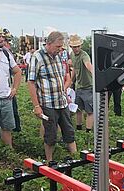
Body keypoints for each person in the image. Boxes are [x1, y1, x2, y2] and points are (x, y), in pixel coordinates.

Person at [27, 31, 77, 161]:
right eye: (57, 46)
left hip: (62, 102)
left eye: (61, 47)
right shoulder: (37, 57)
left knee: (69, 132)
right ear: (49, 44)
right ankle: (50, 163)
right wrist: (36, 106)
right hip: (48, 103)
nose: (60, 49)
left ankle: (76, 159)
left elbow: (62, 78)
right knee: (51, 136)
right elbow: (31, 82)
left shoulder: (59, 56)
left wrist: (65, 93)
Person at [69, 34, 93, 132]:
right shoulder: (72, 55)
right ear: (71, 47)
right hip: (79, 86)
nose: (76, 48)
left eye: (78, 46)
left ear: (81, 46)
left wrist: (93, 73)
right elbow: (74, 68)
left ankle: (88, 131)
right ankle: (79, 128)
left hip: (88, 87)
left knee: (90, 111)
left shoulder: (84, 55)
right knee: (78, 109)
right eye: (74, 47)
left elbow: (88, 64)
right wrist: (71, 80)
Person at [2, 28, 22, 133]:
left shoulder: (6, 53)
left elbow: (17, 71)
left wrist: (14, 89)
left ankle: (16, 131)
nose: (5, 43)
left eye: (6, 40)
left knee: (13, 111)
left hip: (7, 88)